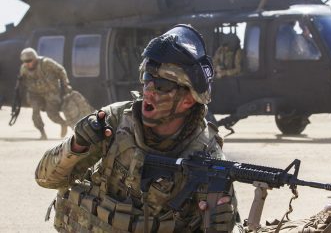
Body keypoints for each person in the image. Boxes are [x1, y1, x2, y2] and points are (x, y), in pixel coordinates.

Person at [35, 25, 243, 233]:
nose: (148, 92)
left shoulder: (207, 155)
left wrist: (222, 226)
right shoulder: (113, 121)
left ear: (188, 99)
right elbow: (45, 179)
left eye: (162, 85)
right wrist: (76, 145)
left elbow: (229, 222)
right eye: (147, 80)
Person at [18, 47, 71, 140]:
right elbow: (23, 80)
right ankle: (42, 133)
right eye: (25, 61)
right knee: (35, 112)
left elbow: (61, 70)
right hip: (35, 94)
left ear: (34, 58)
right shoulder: (24, 68)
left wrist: (65, 84)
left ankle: (63, 124)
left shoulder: (46, 63)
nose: (27, 63)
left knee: (52, 114)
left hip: (50, 92)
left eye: (29, 60)